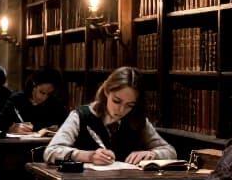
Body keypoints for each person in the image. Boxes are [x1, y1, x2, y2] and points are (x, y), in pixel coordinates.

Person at [45, 66, 176, 164]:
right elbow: (50, 151)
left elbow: (170, 151)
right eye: (116, 101)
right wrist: (87, 156)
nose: (121, 109)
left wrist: (152, 154)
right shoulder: (81, 116)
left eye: (129, 105)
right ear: (107, 91)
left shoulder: (137, 119)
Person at [0, 67, 68, 135]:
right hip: (18, 147)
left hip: (44, 146)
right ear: (34, 85)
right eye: (42, 92)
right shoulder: (18, 99)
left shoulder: (54, 103)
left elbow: (67, 123)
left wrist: (56, 128)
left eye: (49, 94)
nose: (45, 98)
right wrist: (11, 127)